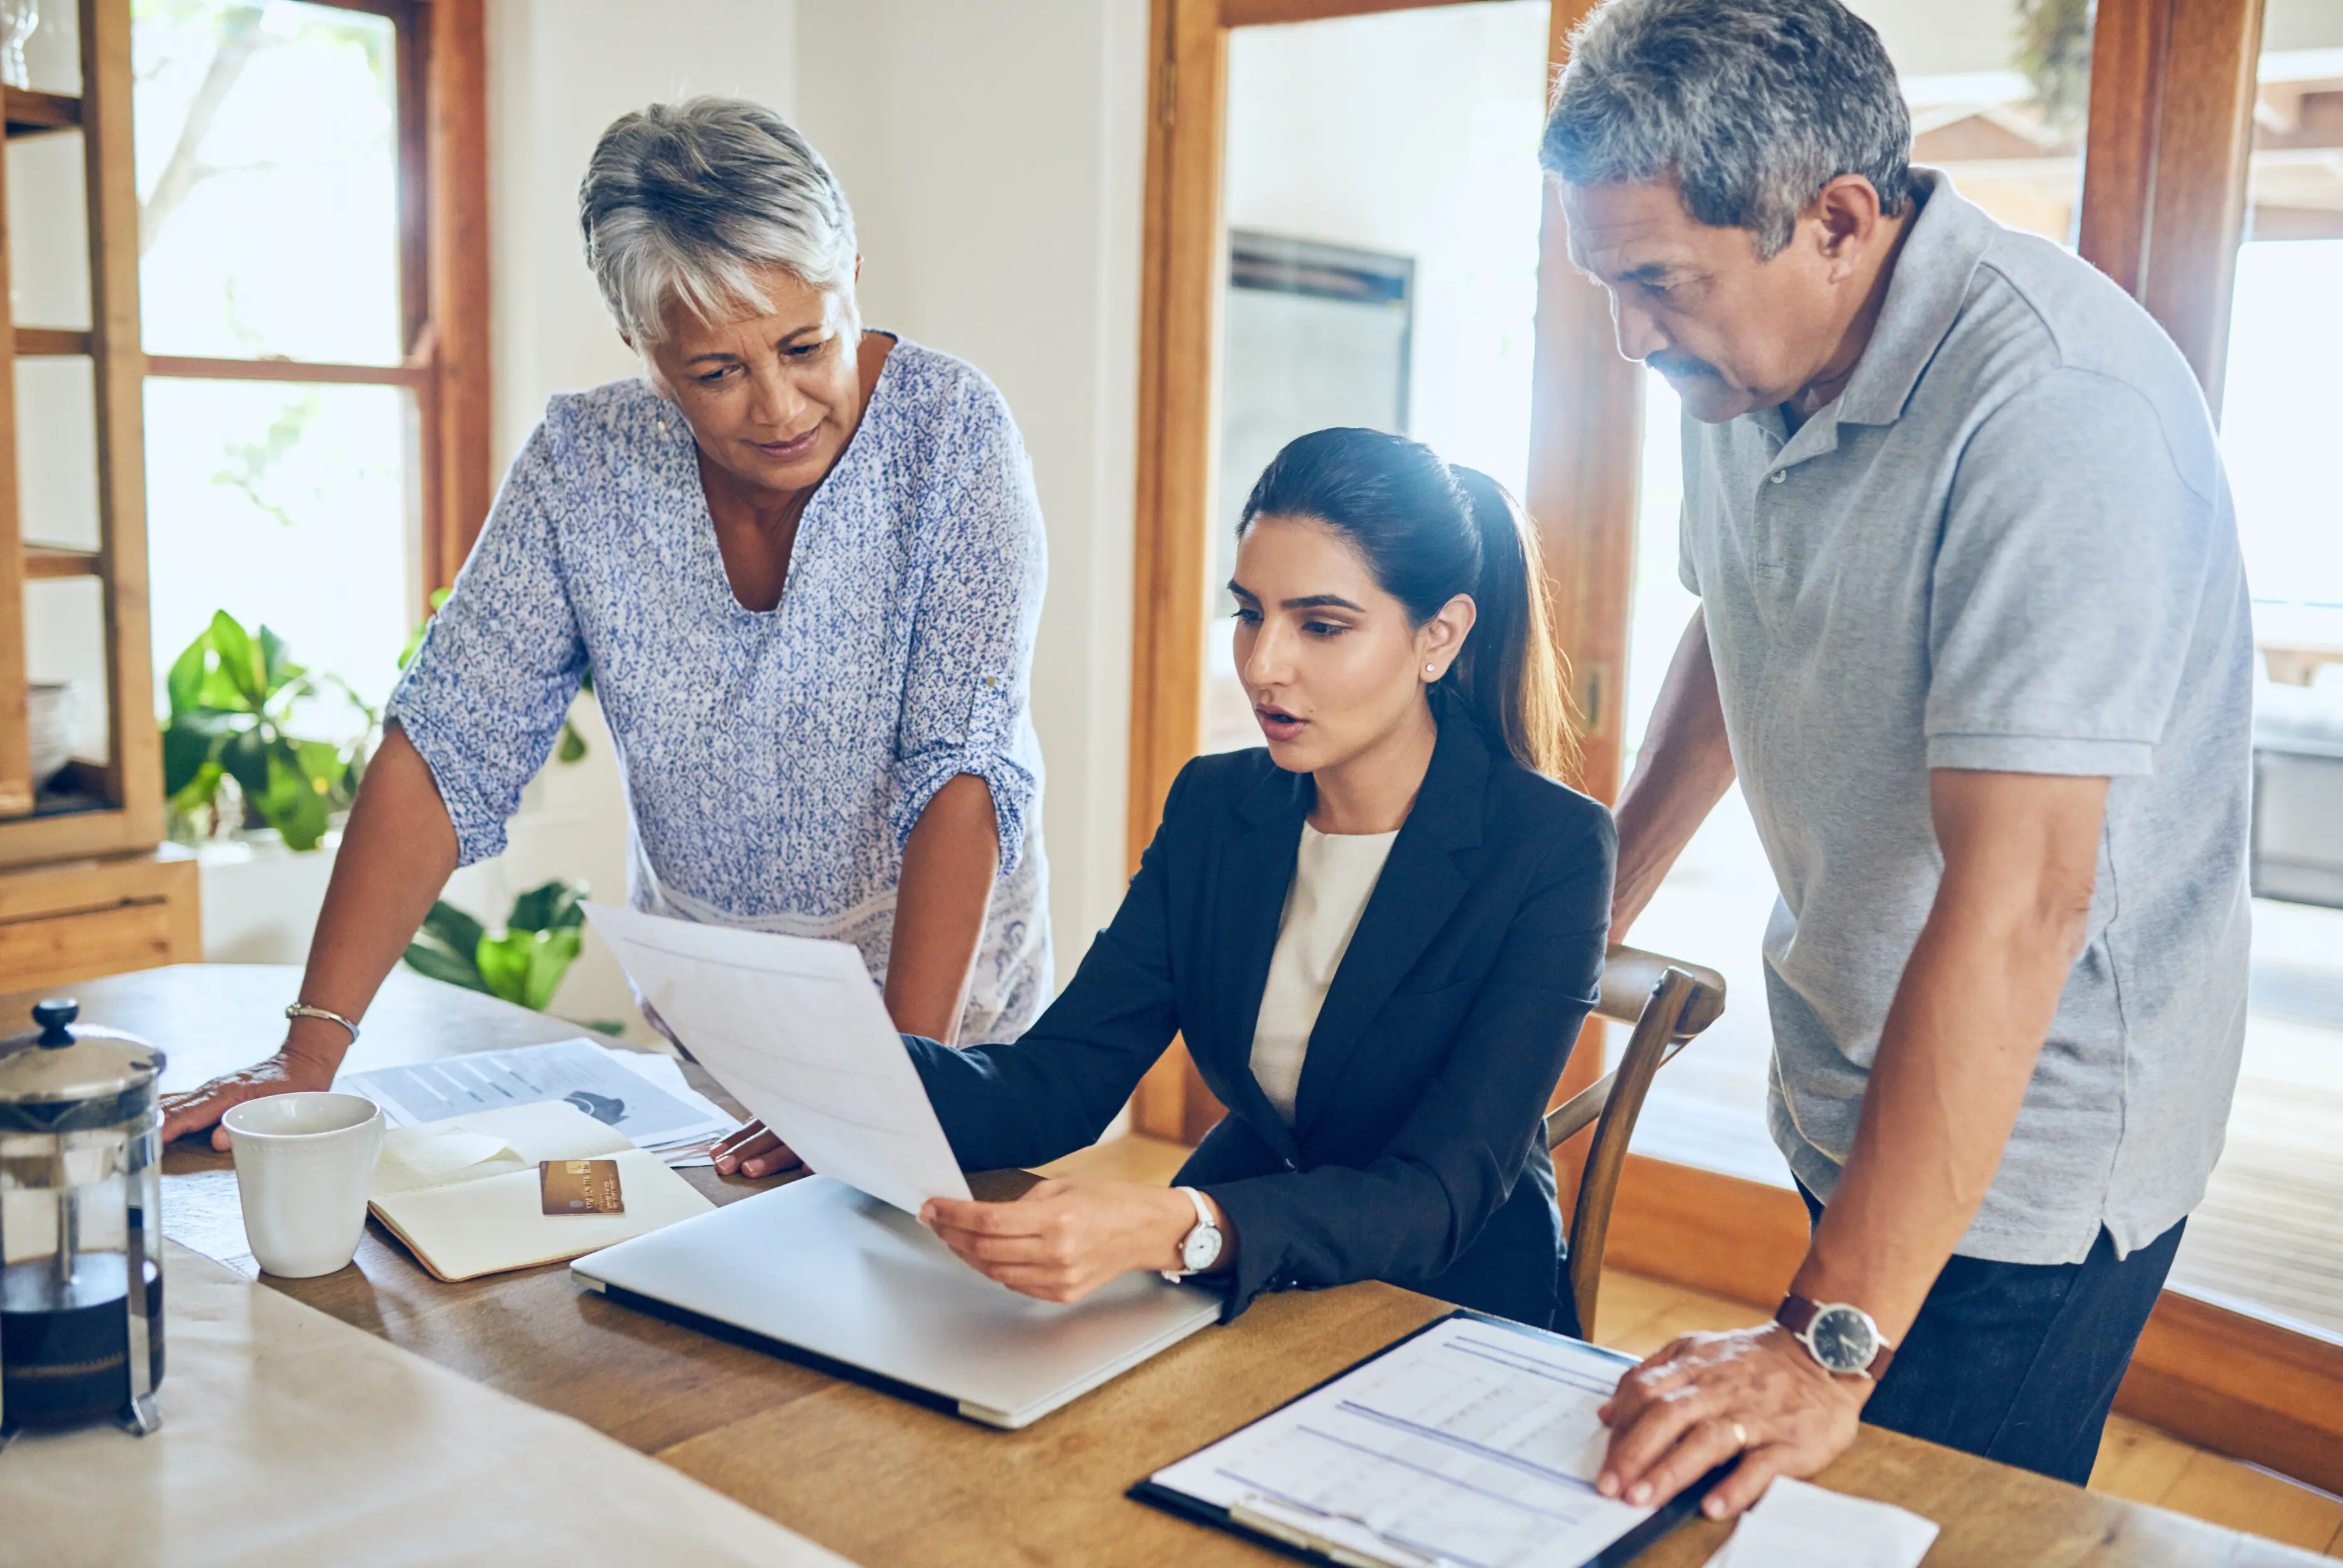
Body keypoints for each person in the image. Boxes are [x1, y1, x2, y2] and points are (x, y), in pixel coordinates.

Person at [1538, 0, 2251, 1518]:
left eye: (1657, 283)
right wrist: (1590, 904)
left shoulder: (2057, 410)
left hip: (2039, 1141)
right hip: (1847, 1051)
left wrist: (1823, 1339)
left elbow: (2024, 906)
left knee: (1923, 1534)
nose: (1629, 335)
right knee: (1802, 1522)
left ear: (1840, 221)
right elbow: (1741, 628)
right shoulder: (1740, 356)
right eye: (1607, 282)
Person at [160, 97, 1052, 1146]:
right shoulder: (584, 464)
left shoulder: (952, 437)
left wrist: (892, 1099)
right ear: (642, 344)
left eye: (806, 345)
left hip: (944, 1030)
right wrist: (305, 1057)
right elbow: (448, 742)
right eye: (716, 372)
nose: (779, 406)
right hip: (723, 1025)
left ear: (850, 276)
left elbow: (960, 770)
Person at [736, 429, 1614, 1326]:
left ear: (1439, 635)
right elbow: (1064, 1076)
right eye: (1250, 612)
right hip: (1246, 1261)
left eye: (1320, 625)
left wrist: (1188, 1221)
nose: (1264, 662)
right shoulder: (1218, 807)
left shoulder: (1552, 847)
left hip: (1445, 1297)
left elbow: (1437, 1191)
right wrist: (854, 1084)